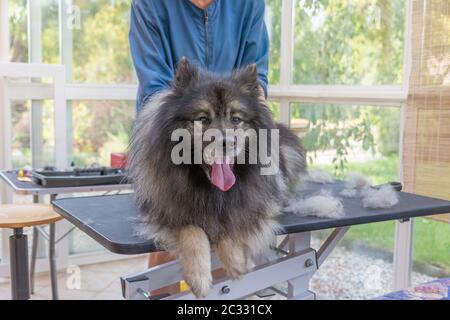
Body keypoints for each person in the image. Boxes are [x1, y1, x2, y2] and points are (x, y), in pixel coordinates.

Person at [129, 0, 269, 295]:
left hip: (234, 124)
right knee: (169, 222)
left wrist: (238, 122)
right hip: (172, 136)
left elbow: (257, 79)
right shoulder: (149, 5)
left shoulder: (249, 4)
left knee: (225, 244)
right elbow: (155, 87)